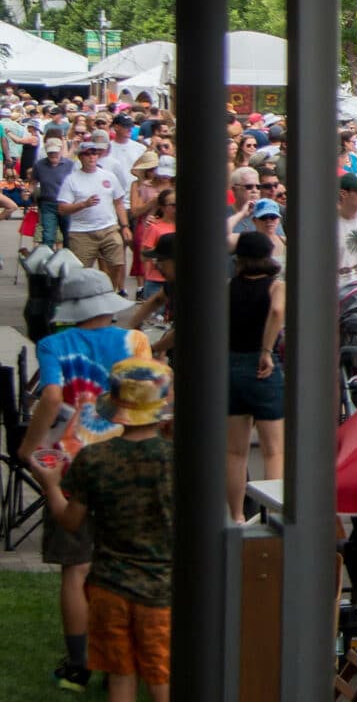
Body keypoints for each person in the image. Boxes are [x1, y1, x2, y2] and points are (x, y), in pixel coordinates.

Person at [17, 265, 150, 692]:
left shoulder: (54, 343)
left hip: (73, 460)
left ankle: (78, 664)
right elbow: (145, 399)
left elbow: (52, 396)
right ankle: (128, 655)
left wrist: (29, 446)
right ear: (108, 306)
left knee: (76, 568)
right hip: (127, 456)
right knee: (126, 560)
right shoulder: (135, 340)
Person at [32, 357, 176, 702]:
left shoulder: (94, 459)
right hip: (162, 588)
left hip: (108, 586)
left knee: (120, 676)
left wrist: (51, 485)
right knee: (161, 678)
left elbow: (70, 522)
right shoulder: (179, 460)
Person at [224, 232, 285, 522]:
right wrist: (266, 349)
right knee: (273, 450)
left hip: (231, 364)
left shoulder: (228, 287)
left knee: (236, 452)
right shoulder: (276, 286)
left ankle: (236, 515)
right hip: (263, 367)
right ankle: (269, 515)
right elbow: (277, 311)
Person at [59, 135, 131, 293]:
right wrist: (83, 204)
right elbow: (62, 208)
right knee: (79, 272)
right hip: (81, 232)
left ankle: (108, 294)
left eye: (94, 153)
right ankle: (82, 301)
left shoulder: (109, 176)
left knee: (117, 263)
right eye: (87, 153)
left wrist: (125, 226)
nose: (92, 157)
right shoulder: (72, 179)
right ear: (80, 157)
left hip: (108, 228)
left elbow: (119, 202)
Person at [31, 128, 72, 246]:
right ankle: (46, 260)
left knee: (67, 235)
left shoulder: (69, 165)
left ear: (60, 150)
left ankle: (67, 260)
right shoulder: (39, 165)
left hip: (66, 204)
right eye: (50, 152)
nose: (53, 154)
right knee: (48, 236)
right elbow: (33, 182)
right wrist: (28, 193)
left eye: (55, 152)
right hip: (47, 204)